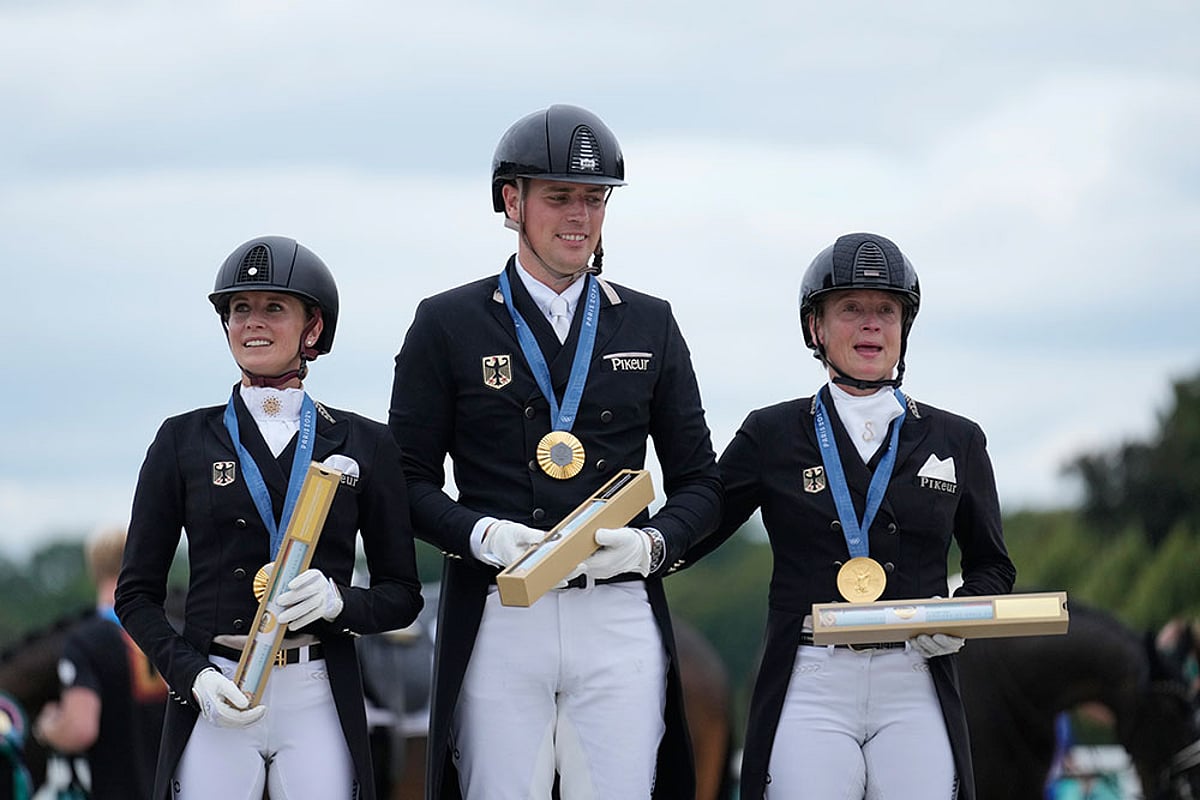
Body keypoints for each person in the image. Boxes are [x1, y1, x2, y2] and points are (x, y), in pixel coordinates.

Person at [388, 104, 722, 799]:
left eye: (594, 199)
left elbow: (702, 486)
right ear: (512, 201)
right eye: (560, 197)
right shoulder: (446, 322)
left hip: (618, 610)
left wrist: (652, 547)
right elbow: (407, 483)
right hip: (502, 614)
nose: (580, 216)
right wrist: (480, 534)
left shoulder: (651, 323)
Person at [686, 232, 1017, 799]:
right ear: (815, 327)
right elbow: (702, 522)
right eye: (851, 309)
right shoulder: (771, 433)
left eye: (886, 310)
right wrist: (639, 544)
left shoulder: (957, 439)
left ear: (904, 327)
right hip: (812, 674)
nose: (871, 324)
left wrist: (958, 615)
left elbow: (992, 567)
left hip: (914, 672)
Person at [114, 235, 424, 800]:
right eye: (240, 309)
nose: (252, 323)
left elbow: (403, 594)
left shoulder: (365, 443)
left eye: (273, 308)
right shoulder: (181, 440)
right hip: (219, 688)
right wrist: (193, 678)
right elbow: (135, 595)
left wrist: (340, 602)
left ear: (313, 329)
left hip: (317, 690)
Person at [34, 526, 167, 799]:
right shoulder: (173, 633)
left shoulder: (85, 642)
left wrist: (47, 728)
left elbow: (81, 730)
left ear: (95, 570)